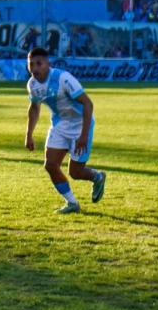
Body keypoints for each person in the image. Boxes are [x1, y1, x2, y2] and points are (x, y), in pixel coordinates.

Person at [24, 47, 106, 214]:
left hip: (80, 124)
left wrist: (83, 135)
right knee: (50, 165)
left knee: (75, 172)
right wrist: (29, 134)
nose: (34, 68)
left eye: (39, 64)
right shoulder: (32, 84)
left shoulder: (63, 78)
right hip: (60, 125)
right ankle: (72, 203)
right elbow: (34, 108)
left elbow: (88, 104)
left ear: (48, 64)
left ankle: (97, 177)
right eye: (31, 64)